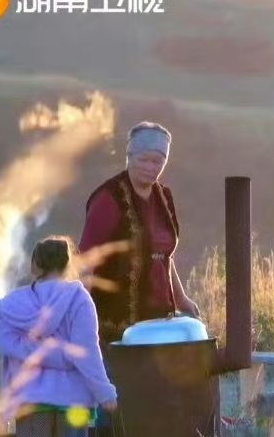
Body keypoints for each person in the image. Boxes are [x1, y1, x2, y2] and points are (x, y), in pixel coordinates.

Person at [0, 236, 117, 437]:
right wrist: (105, 393)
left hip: (30, 401)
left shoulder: (12, 305)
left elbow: (6, 344)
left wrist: (42, 354)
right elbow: (87, 353)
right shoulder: (79, 299)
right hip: (73, 404)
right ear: (68, 263)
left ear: (35, 265)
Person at [79, 121, 200, 344]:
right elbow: (86, 261)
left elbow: (164, 256)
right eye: (144, 160)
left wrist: (181, 298)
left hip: (160, 318)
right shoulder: (108, 198)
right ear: (129, 156)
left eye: (158, 161)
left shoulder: (164, 197)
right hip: (117, 323)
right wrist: (81, 315)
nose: (150, 167)